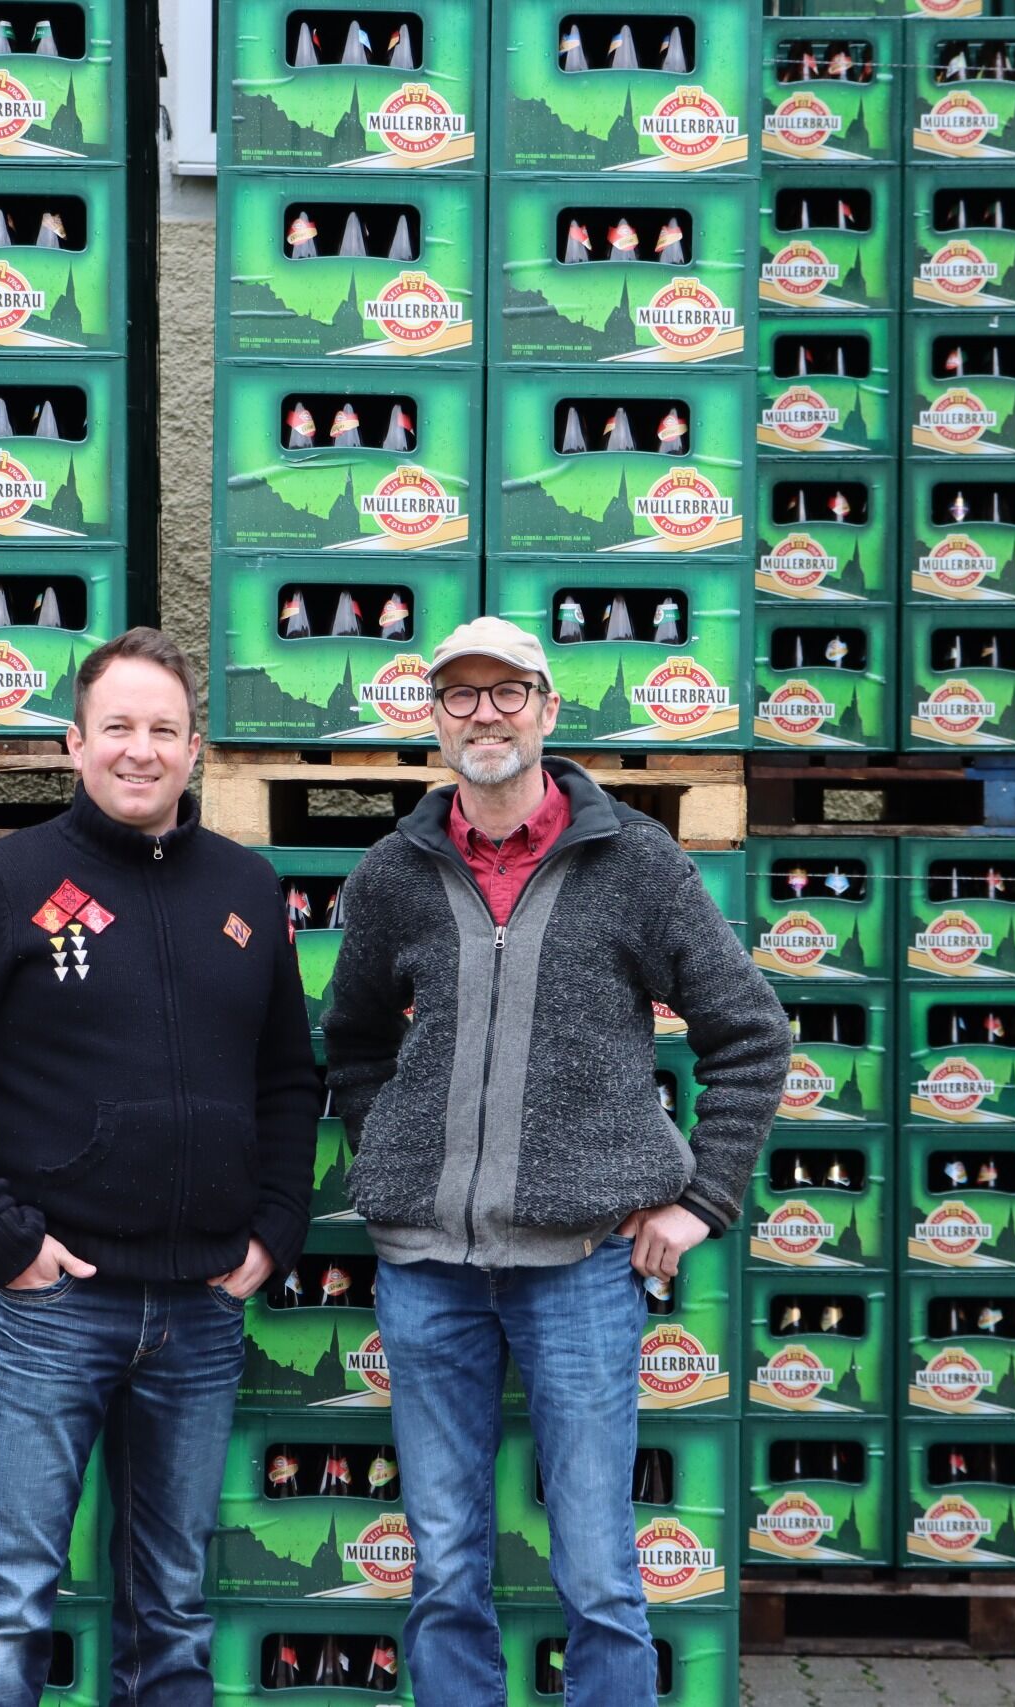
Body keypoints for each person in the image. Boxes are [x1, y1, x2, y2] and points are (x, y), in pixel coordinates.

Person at [320, 617, 789, 1703]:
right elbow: (351, 1040)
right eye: (460, 694)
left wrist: (702, 1200)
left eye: (507, 692)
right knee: (443, 1566)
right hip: (426, 1273)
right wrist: (394, 1151)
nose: (484, 714)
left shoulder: (636, 863)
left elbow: (750, 1034)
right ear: (435, 720)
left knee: (598, 1568)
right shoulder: (391, 874)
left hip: (581, 1271)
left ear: (547, 708)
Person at [0, 627, 319, 1707]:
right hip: (53, 1307)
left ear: (195, 748)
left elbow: (286, 1080)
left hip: (202, 1309)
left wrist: (275, 1229)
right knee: (11, 1605)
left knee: (172, 1609)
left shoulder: (247, 888)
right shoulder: (5, 881)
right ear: (73, 744)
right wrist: (5, 1241)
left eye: (164, 729)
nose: (140, 749)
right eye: (116, 726)